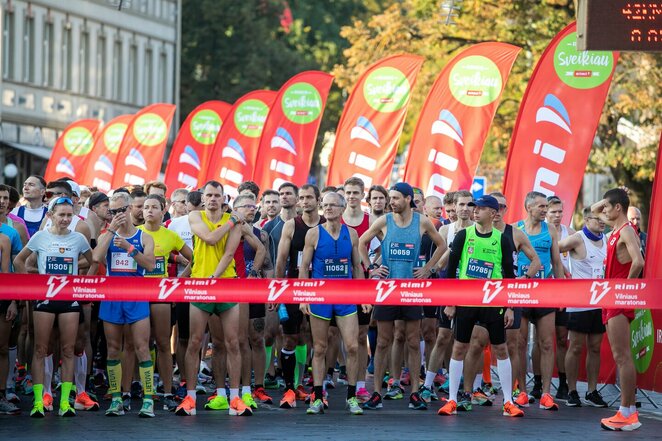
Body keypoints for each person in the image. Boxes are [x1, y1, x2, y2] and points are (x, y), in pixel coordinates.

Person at [359, 182, 446, 411]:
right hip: (388, 290)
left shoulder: (421, 221)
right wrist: (371, 268)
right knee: (383, 342)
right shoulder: (384, 221)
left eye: (396, 198)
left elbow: (441, 244)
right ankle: (377, 393)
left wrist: (428, 268)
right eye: (391, 198)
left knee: (412, 342)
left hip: (411, 291)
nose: (391, 202)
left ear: (408, 199)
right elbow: (361, 242)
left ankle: (415, 393)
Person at [437, 195, 523, 418]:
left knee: (501, 349)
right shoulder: (463, 236)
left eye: (482, 208)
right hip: (466, 300)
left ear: (494, 214)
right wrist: (450, 301)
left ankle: (508, 402)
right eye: (475, 207)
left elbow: (509, 275)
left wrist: (510, 306)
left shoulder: (502, 239)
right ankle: (453, 400)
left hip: (494, 302)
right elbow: (451, 272)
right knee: (459, 347)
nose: (475, 211)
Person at [14, 197, 96, 417]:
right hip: (45, 300)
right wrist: (30, 288)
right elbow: (19, 262)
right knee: (41, 349)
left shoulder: (78, 238)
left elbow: (93, 261)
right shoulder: (41, 237)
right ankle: (39, 402)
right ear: (50, 215)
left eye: (69, 215)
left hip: (70, 300)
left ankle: (65, 403)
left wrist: (83, 286)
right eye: (61, 215)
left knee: (68, 350)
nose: (66, 219)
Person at [175, 181, 251, 417]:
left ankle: (235, 398)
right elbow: (208, 238)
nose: (213, 199)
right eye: (209, 195)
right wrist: (230, 221)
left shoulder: (235, 221)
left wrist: (214, 277)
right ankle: (189, 397)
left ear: (224, 198)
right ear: (203, 197)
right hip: (200, 284)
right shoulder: (196, 216)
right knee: (195, 342)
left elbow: (229, 253)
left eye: (217, 195)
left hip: (225, 284)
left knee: (232, 342)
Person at [299, 191, 369, 415]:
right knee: (319, 348)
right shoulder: (313, 234)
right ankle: (317, 397)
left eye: (332, 205)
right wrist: (303, 296)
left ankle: (351, 397)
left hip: (346, 297)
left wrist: (363, 296)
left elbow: (357, 267)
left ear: (342, 208)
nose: (328, 209)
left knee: (352, 346)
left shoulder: (352, 233)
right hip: (320, 297)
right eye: (325, 205)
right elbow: (304, 267)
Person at [93, 192, 157, 418]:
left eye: (122, 210)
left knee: (141, 347)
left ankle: (148, 399)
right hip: (111, 297)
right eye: (113, 211)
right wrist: (111, 231)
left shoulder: (144, 237)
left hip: (137, 296)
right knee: (112, 348)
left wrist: (130, 248)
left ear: (130, 209)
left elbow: (150, 265)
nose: (118, 215)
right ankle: (116, 398)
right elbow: (96, 258)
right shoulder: (108, 234)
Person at [592, 188, 644, 431]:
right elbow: (592, 210)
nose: (602, 210)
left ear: (618, 209)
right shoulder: (615, 229)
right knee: (619, 355)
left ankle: (626, 413)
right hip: (611, 297)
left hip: (618, 299)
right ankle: (630, 410)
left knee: (622, 356)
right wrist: (614, 196)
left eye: (607, 207)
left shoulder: (626, 231)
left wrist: (625, 289)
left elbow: (639, 261)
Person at [138, 194, 192, 411]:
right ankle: (141, 389)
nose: (149, 211)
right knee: (139, 345)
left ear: (163, 211)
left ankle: (168, 391)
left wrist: (179, 280)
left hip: (161, 293)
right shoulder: (136, 233)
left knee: (162, 343)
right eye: (145, 207)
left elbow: (194, 258)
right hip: (137, 293)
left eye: (154, 207)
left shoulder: (170, 235)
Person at [273, 184, 325, 408]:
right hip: (295, 286)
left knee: (316, 339)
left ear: (318, 199)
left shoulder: (326, 224)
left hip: (322, 287)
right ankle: (289, 389)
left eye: (308, 197)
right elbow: (281, 260)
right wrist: (277, 290)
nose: (304, 201)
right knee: (291, 337)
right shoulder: (291, 225)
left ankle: (308, 384)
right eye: (301, 198)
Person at [515, 191, 565, 411]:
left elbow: (556, 262)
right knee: (519, 344)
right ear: (528, 207)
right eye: (541, 207)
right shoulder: (516, 229)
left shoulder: (550, 230)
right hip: (521, 293)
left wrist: (562, 291)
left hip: (545, 292)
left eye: (546, 206)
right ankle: (522, 391)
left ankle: (546, 393)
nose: (545, 210)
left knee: (546, 343)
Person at [558, 208, 608, 408]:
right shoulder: (577, 238)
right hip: (579, 301)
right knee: (576, 347)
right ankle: (571, 391)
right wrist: (563, 273)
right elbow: (555, 249)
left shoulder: (607, 239)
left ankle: (592, 391)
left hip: (600, 300)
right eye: (598, 218)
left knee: (595, 347)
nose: (602, 222)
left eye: (605, 218)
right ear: (587, 219)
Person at [545, 196, 575, 400]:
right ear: (545, 212)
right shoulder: (542, 232)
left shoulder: (570, 233)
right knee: (543, 340)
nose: (557, 215)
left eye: (559, 212)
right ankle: (538, 383)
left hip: (565, 291)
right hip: (545, 291)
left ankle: (563, 383)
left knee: (563, 338)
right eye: (553, 212)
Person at [0, 233, 19, 415]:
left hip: (1, 297)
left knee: (3, 348)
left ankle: (1, 395)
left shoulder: (4, 239)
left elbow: (7, 273)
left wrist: (13, 300)